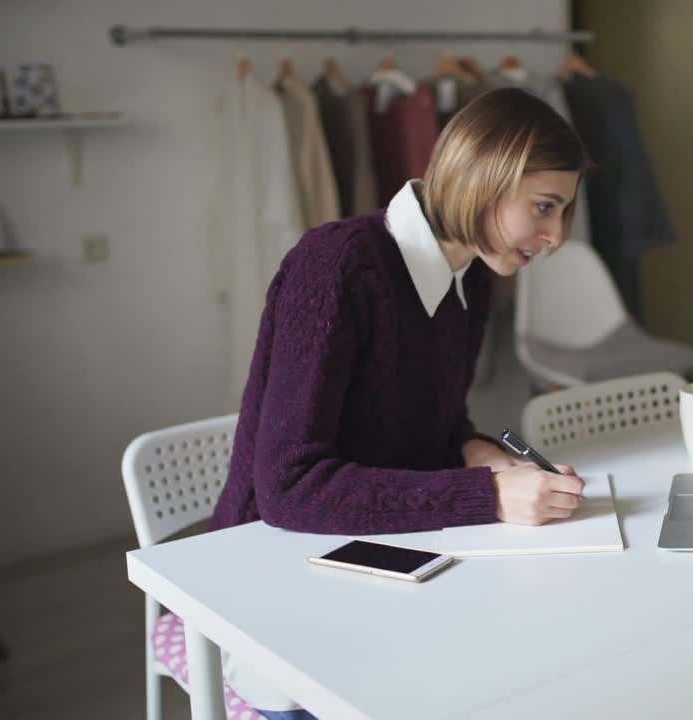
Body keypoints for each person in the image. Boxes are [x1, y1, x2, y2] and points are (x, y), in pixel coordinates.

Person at [207, 87, 592, 720]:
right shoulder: (335, 266)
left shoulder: (471, 279)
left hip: (379, 563)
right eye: (545, 208)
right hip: (267, 584)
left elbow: (432, 424)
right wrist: (489, 496)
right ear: (483, 180)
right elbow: (287, 487)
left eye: (563, 212)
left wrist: (478, 452)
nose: (554, 236)